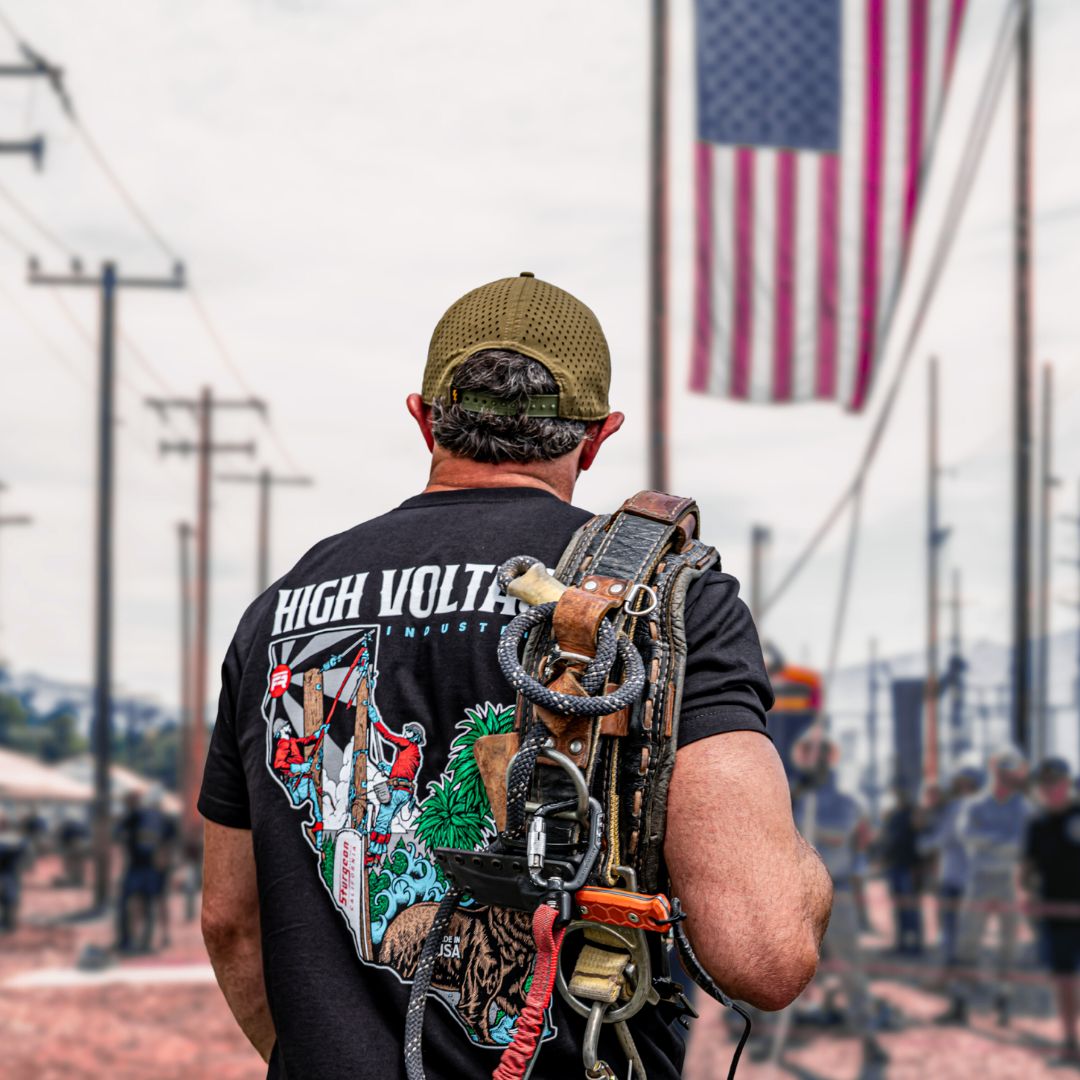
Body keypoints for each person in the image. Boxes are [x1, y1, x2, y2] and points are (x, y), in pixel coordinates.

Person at [198, 273, 833, 1079]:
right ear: (597, 437)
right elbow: (764, 951)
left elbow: (230, 921)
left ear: (425, 419)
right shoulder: (661, 605)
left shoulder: (280, 611)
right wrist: (801, 870)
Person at [791, 729, 888, 1070]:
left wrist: (804, 827)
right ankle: (773, 1034)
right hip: (800, 893)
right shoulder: (795, 798)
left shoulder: (845, 802)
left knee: (850, 969)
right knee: (789, 963)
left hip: (838, 892)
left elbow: (836, 835)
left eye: (821, 758)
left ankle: (868, 1037)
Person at [936, 747, 1032, 1028]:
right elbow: (967, 835)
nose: (1004, 776)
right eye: (1001, 770)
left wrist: (989, 840)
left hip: (1006, 880)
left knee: (1008, 944)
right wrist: (1000, 840)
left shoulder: (1022, 807)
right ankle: (960, 1003)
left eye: (1009, 771)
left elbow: (1020, 845)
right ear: (993, 770)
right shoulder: (974, 804)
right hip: (977, 880)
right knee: (967, 942)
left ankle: (1004, 1001)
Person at [1023, 757, 1080, 1066]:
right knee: (1064, 982)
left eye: (1055, 782)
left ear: (1068, 783)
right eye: (1044, 784)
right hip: (1055, 914)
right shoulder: (1037, 823)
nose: (1050, 789)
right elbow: (1029, 867)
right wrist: (1030, 895)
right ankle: (1070, 1042)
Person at [918, 765, 981, 969]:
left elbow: (946, 836)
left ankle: (955, 962)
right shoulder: (977, 805)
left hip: (958, 875)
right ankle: (960, 961)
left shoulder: (960, 807)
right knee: (959, 922)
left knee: (953, 922)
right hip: (961, 873)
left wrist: (924, 845)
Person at [115, 789, 175, 954]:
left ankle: (131, 941)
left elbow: (118, 834)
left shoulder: (136, 816)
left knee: (133, 903)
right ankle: (144, 941)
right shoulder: (163, 819)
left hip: (140, 867)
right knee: (148, 903)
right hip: (151, 868)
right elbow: (168, 845)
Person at [880, 781, 924, 956]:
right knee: (898, 908)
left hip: (910, 867)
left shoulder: (914, 813)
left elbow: (920, 833)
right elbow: (888, 840)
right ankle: (901, 943)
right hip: (894, 866)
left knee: (911, 908)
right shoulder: (893, 815)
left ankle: (915, 945)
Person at [0, 813, 28, 932]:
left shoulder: (10, 839)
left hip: (7, 872)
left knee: (9, 897)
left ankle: (9, 923)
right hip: (12, 872)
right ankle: (9, 923)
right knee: (10, 898)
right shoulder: (17, 839)